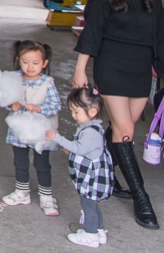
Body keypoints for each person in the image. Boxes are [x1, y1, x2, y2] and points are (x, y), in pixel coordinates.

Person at [72, 0, 164, 230]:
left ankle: (90, 162)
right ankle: (142, 199)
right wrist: (81, 69)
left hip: (140, 70)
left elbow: (163, 39)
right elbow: (92, 33)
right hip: (112, 65)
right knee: (126, 131)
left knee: (118, 129)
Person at [45, 86, 114, 248]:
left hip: (92, 180)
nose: (73, 115)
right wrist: (69, 149)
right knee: (93, 205)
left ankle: (91, 235)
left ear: (92, 111)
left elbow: (80, 149)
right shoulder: (91, 128)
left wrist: (58, 138)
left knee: (88, 205)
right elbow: (82, 149)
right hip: (93, 177)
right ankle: (98, 231)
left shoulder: (90, 132)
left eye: (76, 112)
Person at [0, 40, 61, 217]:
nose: (30, 67)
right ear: (18, 60)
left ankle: (46, 196)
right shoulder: (14, 79)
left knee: (42, 163)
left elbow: (55, 105)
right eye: (25, 62)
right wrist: (11, 106)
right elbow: (5, 98)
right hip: (19, 130)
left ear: (44, 63)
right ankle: (22, 192)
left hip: (41, 132)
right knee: (20, 162)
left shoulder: (47, 82)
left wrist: (39, 108)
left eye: (35, 63)